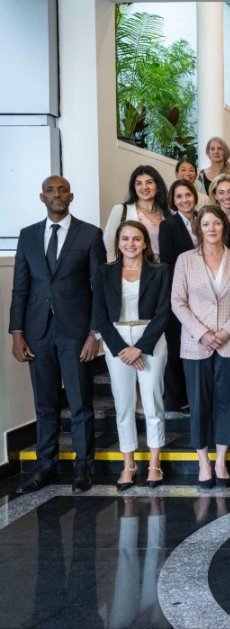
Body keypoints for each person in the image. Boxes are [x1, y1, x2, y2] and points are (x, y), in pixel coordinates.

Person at [10, 176, 105, 494]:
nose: (57, 194)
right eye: (50, 190)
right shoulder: (27, 236)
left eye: (62, 190)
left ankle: (83, 468)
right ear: (42, 197)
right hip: (37, 332)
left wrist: (94, 333)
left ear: (71, 196)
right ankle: (45, 467)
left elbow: (99, 288)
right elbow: (20, 287)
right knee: (45, 405)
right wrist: (17, 332)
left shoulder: (90, 234)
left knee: (80, 403)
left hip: (76, 333)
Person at [170, 205, 230, 489]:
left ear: (223, 226)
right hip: (196, 344)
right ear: (199, 228)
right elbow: (177, 302)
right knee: (199, 403)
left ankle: (221, 461)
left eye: (216, 223)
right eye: (206, 224)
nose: (212, 228)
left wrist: (226, 331)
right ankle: (203, 461)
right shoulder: (185, 260)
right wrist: (203, 333)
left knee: (228, 402)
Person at [93, 220, 170, 490]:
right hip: (117, 340)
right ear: (118, 242)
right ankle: (128, 465)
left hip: (151, 339)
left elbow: (163, 313)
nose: (130, 244)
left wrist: (141, 347)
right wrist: (120, 348)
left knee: (152, 402)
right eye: (125, 238)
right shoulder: (104, 271)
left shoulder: (160, 271)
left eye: (136, 238)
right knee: (123, 404)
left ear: (145, 243)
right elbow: (99, 314)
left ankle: (154, 464)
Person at [159, 179, 200, 412]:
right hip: (180, 293)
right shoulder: (169, 225)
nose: (185, 200)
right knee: (176, 347)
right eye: (179, 197)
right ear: (173, 201)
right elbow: (167, 263)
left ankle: (196, 395)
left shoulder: (203, 218)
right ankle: (176, 399)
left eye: (188, 195)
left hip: (204, 293)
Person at [103, 165, 170, 261]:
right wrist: (113, 268)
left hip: (162, 268)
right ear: (134, 187)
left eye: (149, 182)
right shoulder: (120, 210)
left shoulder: (166, 214)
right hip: (131, 267)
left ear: (158, 186)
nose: (144, 187)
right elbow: (109, 246)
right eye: (139, 183)